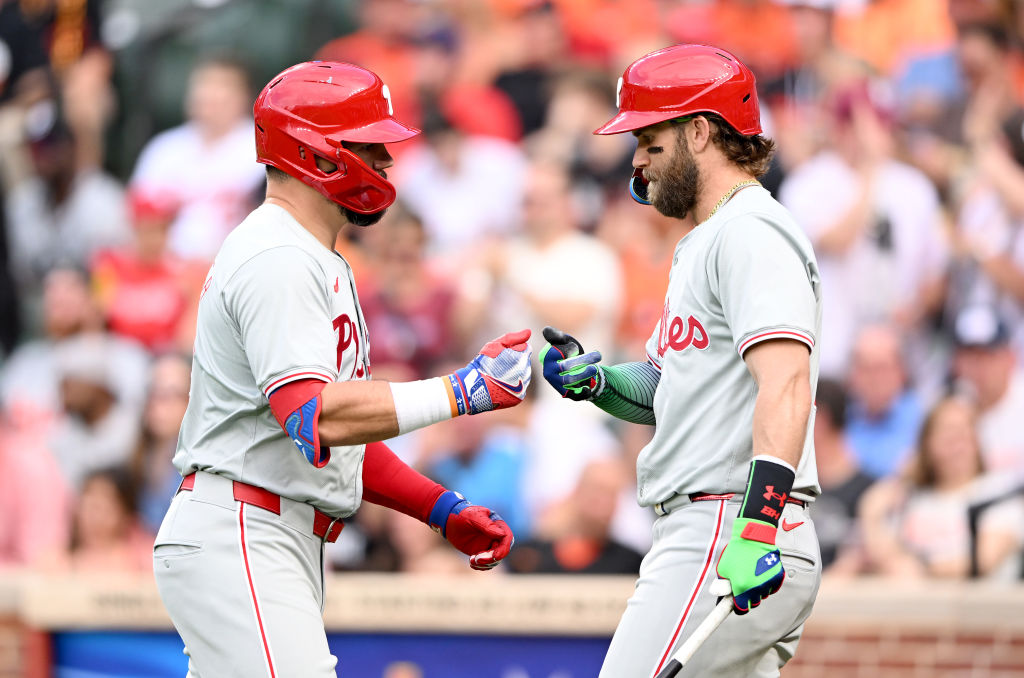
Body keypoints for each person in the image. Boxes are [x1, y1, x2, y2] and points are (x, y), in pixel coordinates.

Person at [152, 61, 531, 678]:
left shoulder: (312, 254)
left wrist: (437, 507)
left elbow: (340, 438)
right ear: (312, 152)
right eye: (369, 145)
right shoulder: (279, 255)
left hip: (268, 530)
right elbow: (314, 416)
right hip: (245, 529)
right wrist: (462, 392)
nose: (384, 163)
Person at [540, 45, 822, 677]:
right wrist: (603, 382)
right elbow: (665, 386)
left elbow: (788, 379)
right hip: (714, 523)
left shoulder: (750, 230)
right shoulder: (707, 238)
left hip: (730, 523)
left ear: (699, 130)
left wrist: (757, 526)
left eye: (649, 138)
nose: (635, 158)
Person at [859, 395, 1024, 579]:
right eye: (946, 433)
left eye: (963, 432)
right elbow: (883, 556)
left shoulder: (997, 491)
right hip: (913, 602)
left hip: (978, 602)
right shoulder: (911, 498)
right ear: (927, 443)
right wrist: (871, 513)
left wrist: (921, 570)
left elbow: (985, 560)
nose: (956, 443)